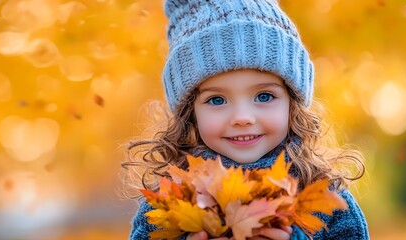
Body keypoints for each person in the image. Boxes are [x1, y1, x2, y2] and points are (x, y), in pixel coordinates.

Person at [121, 0, 369, 239]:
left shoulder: (328, 205)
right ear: (190, 114)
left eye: (264, 96)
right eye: (217, 100)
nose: (242, 118)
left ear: (292, 105)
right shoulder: (167, 207)